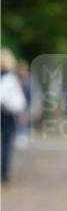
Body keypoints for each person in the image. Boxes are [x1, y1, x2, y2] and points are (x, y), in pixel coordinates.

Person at [0, 49, 27, 184]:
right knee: (6, 144)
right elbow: (18, 100)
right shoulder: (10, 78)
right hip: (7, 114)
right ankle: (4, 173)